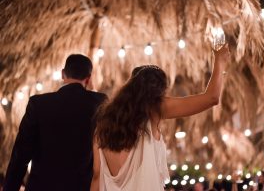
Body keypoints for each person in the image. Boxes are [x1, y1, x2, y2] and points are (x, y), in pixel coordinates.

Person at [92, 45, 230, 191]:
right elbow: (212, 98)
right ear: (157, 91)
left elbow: (96, 174)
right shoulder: (154, 109)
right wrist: (220, 61)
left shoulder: (102, 126)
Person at [3, 54, 107, 191]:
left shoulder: (38, 104)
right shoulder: (99, 103)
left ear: (62, 74)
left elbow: (20, 155)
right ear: (88, 79)